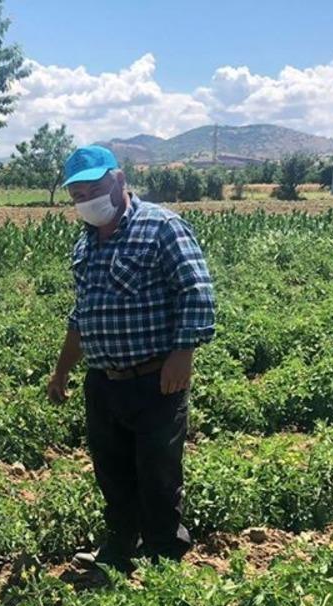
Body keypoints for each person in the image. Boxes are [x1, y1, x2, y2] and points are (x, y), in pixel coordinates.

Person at [46, 146, 216, 569]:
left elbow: (196, 291)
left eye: (94, 189)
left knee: (158, 473)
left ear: (119, 180)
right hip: (103, 381)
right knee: (113, 473)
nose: (87, 201)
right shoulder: (85, 242)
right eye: (77, 195)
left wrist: (184, 353)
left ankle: (163, 557)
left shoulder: (162, 227)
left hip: (156, 379)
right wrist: (62, 371)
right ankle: (119, 550)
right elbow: (81, 313)